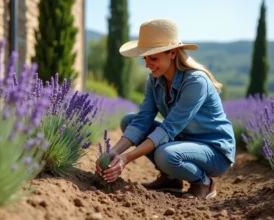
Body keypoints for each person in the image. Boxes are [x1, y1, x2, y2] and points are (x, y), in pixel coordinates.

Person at [95, 18, 236, 199]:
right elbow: (142, 120)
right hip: (182, 142)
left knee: (165, 154)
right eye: (145, 57)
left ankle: (204, 183)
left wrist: (127, 158)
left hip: (214, 151)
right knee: (129, 120)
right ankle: (171, 178)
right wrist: (114, 152)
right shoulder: (154, 80)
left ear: (172, 53)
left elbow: (168, 129)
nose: (147, 64)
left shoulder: (195, 82)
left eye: (153, 58)